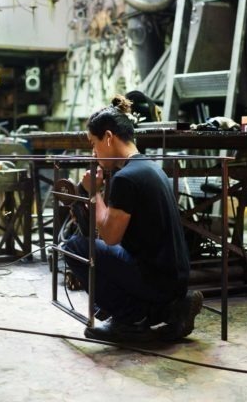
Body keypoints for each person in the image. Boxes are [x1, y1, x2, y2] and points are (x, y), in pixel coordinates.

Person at [63, 95, 203, 343]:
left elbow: (110, 236)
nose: (93, 152)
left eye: (94, 144)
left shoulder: (126, 178)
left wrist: (94, 191)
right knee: (96, 250)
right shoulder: (149, 167)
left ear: (108, 137)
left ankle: (129, 319)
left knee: (73, 247)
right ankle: (170, 309)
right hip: (174, 277)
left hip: (157, 280)